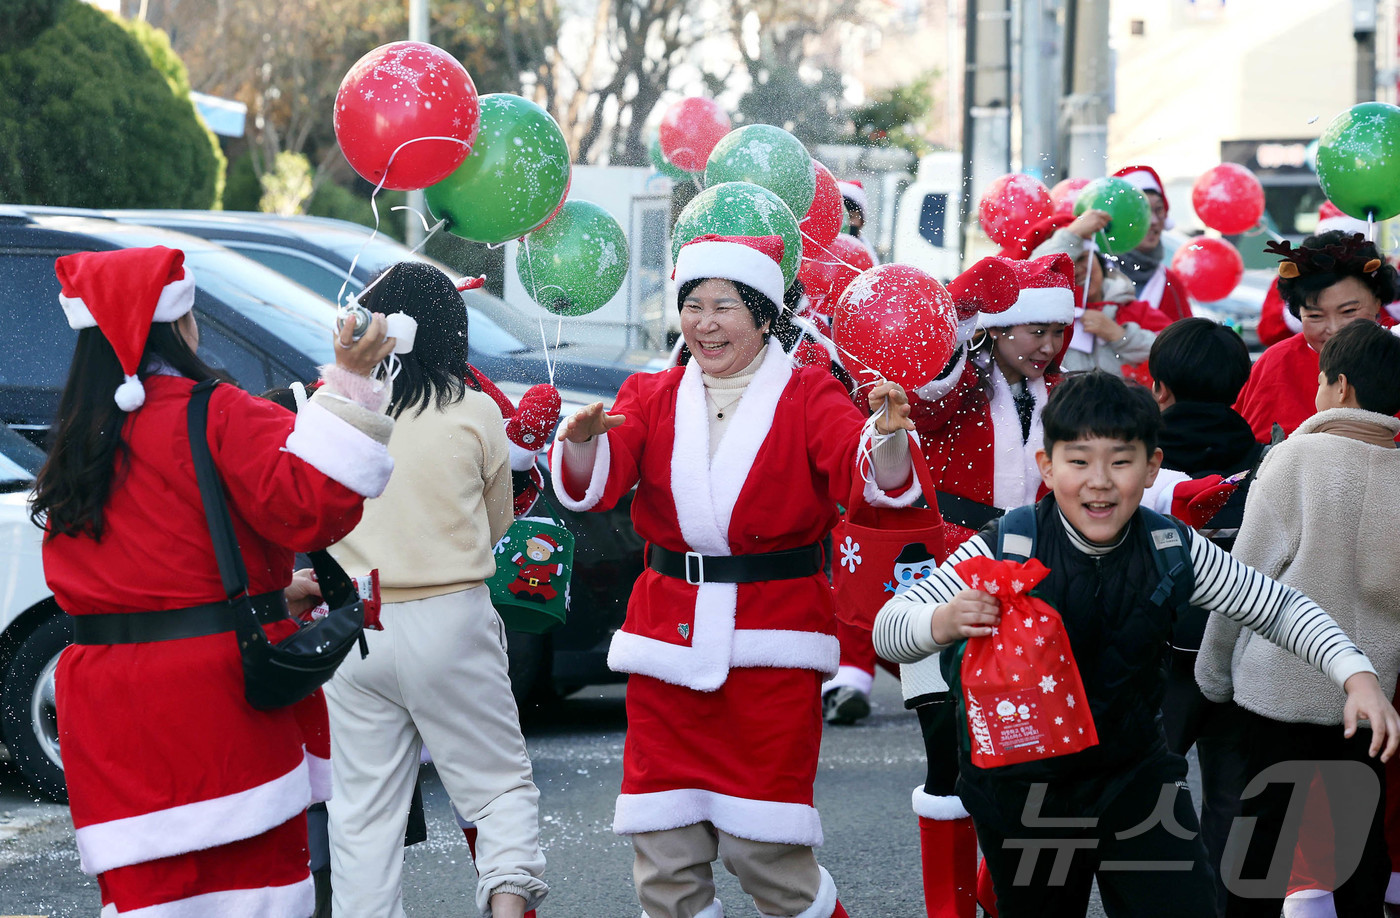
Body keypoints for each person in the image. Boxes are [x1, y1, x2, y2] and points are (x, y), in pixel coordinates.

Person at [873, 369, 1400, 918]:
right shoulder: (1007, 542)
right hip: (1026, 790)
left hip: (1137, 782)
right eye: (1078, 461)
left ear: (1152, 469)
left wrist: (1355, 676)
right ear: (1047, 468)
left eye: (1120, 461)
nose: (1099, 481)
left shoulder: (1171, 546)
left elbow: (1278, 605)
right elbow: (890, 625)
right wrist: (943, 620)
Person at [551, 232, 918, 918]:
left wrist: (888, 439)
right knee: (664, 855)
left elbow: (864, 478)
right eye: (693, 304)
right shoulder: (651, 393)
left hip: (772, 651)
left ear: (765, 315)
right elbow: (597, 484)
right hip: (666, 646)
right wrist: (582, 445)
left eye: (725, 305)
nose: (705, 323)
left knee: (768, 855)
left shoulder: (809, 392)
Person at [34, 245, 397, 916]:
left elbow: (137, 572)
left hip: (107, 706)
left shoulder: (77, 436)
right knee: (253, 890)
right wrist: (347, 382)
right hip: (218, 700)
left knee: (149, 897)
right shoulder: (217, 411)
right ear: (179, 325)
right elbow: (312, 503)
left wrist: (266, 593)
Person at [323, 262, 549, 918]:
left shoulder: (333, 406)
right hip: (451, 618)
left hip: (356, 626)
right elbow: (500, 525)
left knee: (362, 819)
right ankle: (507, 907)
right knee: (498, 788)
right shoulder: (475, 410)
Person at [1196, 319, 1400, 917]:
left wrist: (1213, 673)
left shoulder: (1293, 460)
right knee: (1358, 836)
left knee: (1263, 835)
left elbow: (1244, 580)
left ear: (1339, 387)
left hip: (1278, 685)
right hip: (1369, 693)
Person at [1146, 317, 1263, 915]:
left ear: (1159, 386)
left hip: (1155, 653)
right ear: (1238, 386)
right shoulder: (1266, 457)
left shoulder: (1133, 454)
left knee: (1144, 787)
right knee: (1234, 796)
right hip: (1242, 648)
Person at [1235, 230, 1399, 442]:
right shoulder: (1276, 362)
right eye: (1315, 315)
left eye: (1349, 311)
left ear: (1377, 301)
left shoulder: (1395, 358)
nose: (1334, 328)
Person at [1030, 209, 1170, 378]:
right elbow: (1032, 273)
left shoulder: (1135, 310)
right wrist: (1072, 234)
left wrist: (1121, 336)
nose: (1076, 270)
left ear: (1099, 260)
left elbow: (1177, 355)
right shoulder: (1044, 320)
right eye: (1067, 264)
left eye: (1082, 259)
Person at [1110, 164, 1193, 323]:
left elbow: (1186, 343)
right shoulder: (1093, 272)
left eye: (1158, 210)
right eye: (1143, 210)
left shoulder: (1170, 284)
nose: (1154, 221)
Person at [838, 179, 881, 264]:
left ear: (862, 221)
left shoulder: (868, 256)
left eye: (850, 216)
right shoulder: (816, 251)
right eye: (840, 217)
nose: (845, 223)